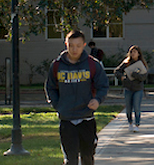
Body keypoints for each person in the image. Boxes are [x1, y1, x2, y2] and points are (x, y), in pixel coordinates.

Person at [45, 30, 109, 165]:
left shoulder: (92, 64)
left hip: (86, 118)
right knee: (70, 160)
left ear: (84, 45)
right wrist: (58, 105)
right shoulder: (57, 65)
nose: (74, 49)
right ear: (66, 44)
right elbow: (50, 87)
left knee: (87, 158)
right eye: (71, 45)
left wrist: (97, 100)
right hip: (67, 119)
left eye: (78, 46)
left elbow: (103, 86)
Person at [114, 45, 148, 132]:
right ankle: (130, 123)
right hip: (128, 88)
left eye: (135, 52)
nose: (133, 54)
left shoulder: (141, 64)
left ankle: (137, 124)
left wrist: (135, 75)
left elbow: (144, 76)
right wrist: (121, 77)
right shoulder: (126, 62)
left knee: (137, 107)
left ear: (138, 54)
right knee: (128, 108)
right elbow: (117, 71)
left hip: (138, 89)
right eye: (131, 52)